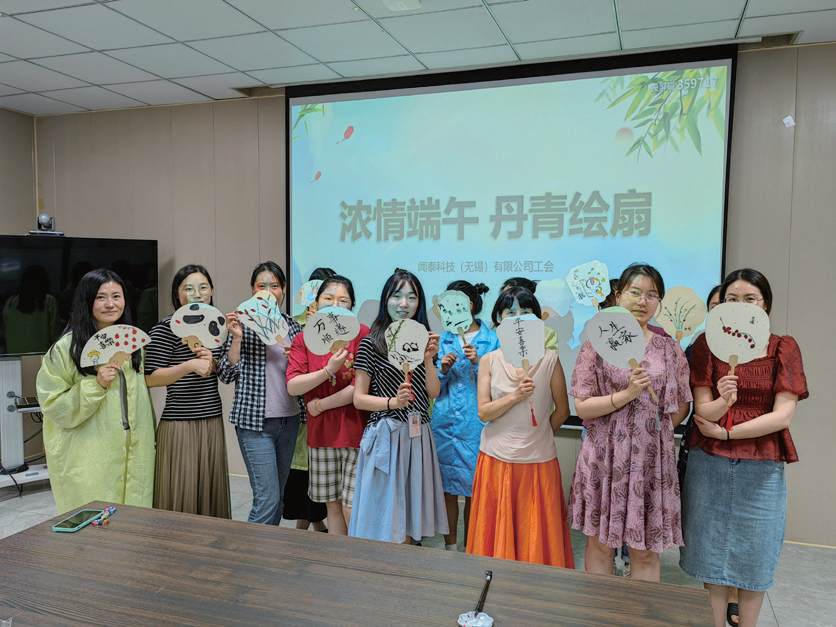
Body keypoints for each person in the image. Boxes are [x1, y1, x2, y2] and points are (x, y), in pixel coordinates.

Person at [680, 269, 808, 627]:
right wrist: (722, 401)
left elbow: (783, 416)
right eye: (731, 299)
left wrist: (727, 434)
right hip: (709, 465)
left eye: (749, 299)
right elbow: (702, 412)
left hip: (761, 465)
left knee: (755, 554)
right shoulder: (706, 344)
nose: (739, 305)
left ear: (765, 304)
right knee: (708, 553)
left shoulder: (783, 347)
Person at [567, 263, 692, 582]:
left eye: (652, 295)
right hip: (604, 457)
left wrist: (652, 433)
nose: (642, 301)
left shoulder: (669, 349)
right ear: (618, 295)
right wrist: (627, 395)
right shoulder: (596, 344)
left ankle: (640, 610)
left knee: (645, 550)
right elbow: (582, 406)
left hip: (650, 462)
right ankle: (599, 608)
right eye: (635, 292)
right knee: (599, 544)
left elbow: (680, 406)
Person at [467, 286, 575, 567]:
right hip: (496, 460)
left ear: (537, 321)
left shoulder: (550, 359)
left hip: (539, 462)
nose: (518, 319)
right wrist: (515, 396)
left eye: (525, 312)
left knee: (536, 536)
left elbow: (563, 411)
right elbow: (484, 413)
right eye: (510, 312)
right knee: (495, 535)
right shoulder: (489, 360)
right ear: (498, 319)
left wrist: (539, 434)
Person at [36, 269, 156, 514]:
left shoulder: (133, 345)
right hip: (89, 453)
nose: (111, 304)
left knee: (133, 519)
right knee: (93, 521)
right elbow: (52, 405)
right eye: (101, 297)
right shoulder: (66, 348)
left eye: (116, 296)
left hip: (134, 449)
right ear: (86, 300)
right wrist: (96, 385)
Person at [349, 268, 448, 544]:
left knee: (411, 514)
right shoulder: (370, 343)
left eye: (411, 297)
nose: (404, 303)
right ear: (386, 300)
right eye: (397, 296)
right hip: (387, 434)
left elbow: (433, 392)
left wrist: (428, 358)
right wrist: (393, 401)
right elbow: (359, 399)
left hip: (419, 434)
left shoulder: (424, 340)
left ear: (419, 303)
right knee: (384, 514)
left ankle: (407, 559)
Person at [217, 261, 305, 525]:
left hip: (289, 420)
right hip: (254, 423)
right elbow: (226, 374)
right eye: (261, 285)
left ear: (283, 289)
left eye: (274, 286)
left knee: (278, 498)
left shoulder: (293, 328)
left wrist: (296, 358)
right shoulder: (242, 325)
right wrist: (236, 337)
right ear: (253, 290)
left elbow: (302, 376)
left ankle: (269, 547)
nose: (268, 291)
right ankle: (250, 550)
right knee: (267, 499)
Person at [144, 264, 231, 518]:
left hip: (212, 419)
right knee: (182, 494)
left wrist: (213, 362)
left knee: (208, 493)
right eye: (188, 288)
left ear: (212, 291)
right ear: (177, 294)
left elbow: (221, 371)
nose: (197, 294)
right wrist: (189, 365)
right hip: (179, 423)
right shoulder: (165, 328)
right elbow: (149, 378)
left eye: (203, 287)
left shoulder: (218, 327)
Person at [287, 275, 369, 535]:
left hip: (356, 433)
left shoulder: (362, 334)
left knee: (352, 506)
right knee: (332, 504)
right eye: (328, 298)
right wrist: (327, 371)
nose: (335, 305)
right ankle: (340, 556)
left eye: (343, 300)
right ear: (317, 303)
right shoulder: (303, 339)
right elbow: (294, 386)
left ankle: (358, 556)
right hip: (321, 435)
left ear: (352, 306)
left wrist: (319, 405)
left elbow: (359, 387)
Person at [431, 280, 499, 551]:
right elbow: (433, 389)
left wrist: (479, 363)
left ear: (468, 305)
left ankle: (471, 548)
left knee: (475, 492)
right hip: (445, 426)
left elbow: (499, 385)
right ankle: (450, 547)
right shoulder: (442, 339)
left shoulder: (492, 339)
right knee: (447, 490)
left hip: (476, 425)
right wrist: (442, 370)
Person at [285, 267, 336, 533]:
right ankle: (311, 528)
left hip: (330, 412)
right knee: (302, 477)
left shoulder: (344, 327)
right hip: (300, 414)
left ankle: (315, 527)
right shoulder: (295, 325)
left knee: (324, 480)